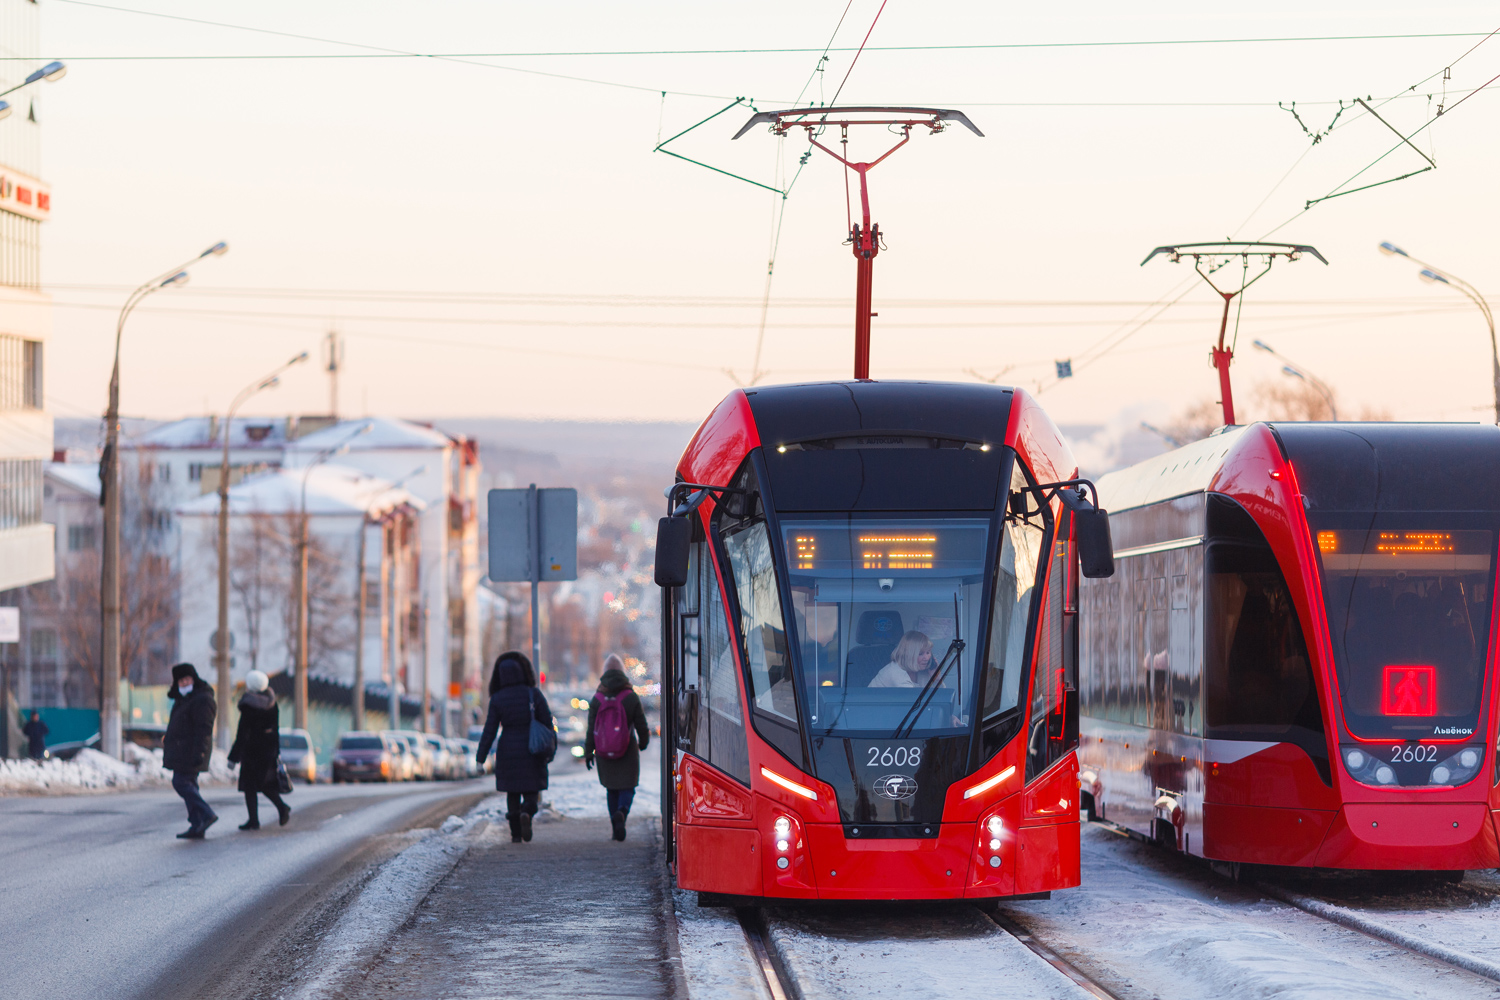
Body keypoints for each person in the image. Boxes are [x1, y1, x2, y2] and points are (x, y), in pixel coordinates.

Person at [476, 651, 552, 843]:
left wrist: (480, 757)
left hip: (507, 749)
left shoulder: (498, 699)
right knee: (531, 790)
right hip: (531, 749)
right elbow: (547, 723)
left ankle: (516, 834)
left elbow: (489, 730)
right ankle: (527, 812)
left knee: (512, 792)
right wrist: (551, 748)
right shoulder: (533, 694)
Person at [583, 654, 650, 842]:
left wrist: (589, 752)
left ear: (604, 672)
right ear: (623, 672)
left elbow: (591, 729)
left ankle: (615, 828)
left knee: (611, 789)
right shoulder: (630, 696)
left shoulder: (597, 698)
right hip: (627, 749)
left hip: (604, 751)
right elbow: (641, 725)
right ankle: (622, 812)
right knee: (627, 787)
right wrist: (643, 743)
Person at [227, 670, 291, 830]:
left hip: (252, 753)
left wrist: (233, 757)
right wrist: (276, 752)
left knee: (250, 786)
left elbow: (243, 733)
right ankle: (280, 808)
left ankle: (256, 819)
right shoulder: (272, 703)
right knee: (265, 784)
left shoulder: (248, 705)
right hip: (268, 752)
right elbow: (275, 730)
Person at [163, 663, 218, 839]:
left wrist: (200, 753)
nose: (185, 683)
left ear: (194, 679)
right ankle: (197, 825)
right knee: (189, 784)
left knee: (181, 783)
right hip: (183, 751)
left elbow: (204, 729)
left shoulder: (202, 699)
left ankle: (206, 813)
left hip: (192, 751)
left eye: (187, 679)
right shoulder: (183, 699)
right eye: (181, 681)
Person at [869, 630, 936, 688]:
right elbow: (912, 699)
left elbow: (940, 697)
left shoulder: (923, 671)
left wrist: (936, 678)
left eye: (928, 652)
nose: (927, 658)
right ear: (909, 655)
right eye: (920, 654)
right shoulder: (895, 672)